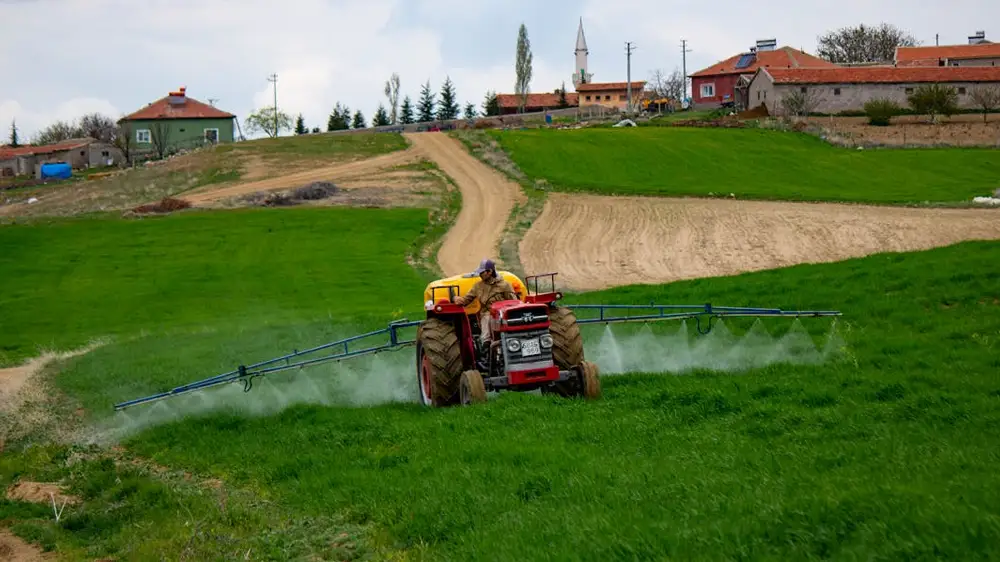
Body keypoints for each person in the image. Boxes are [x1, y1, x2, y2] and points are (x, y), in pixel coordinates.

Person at [454, 258, 517, 347]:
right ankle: (486, 343)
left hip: (503, 314)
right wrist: (458, 299)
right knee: (487, 318)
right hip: (487, 313)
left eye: (482, 272)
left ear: (490, 272)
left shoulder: (505, 285)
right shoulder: (477, 286)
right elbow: (466, 300)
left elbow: (514, 302)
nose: (479, 274)